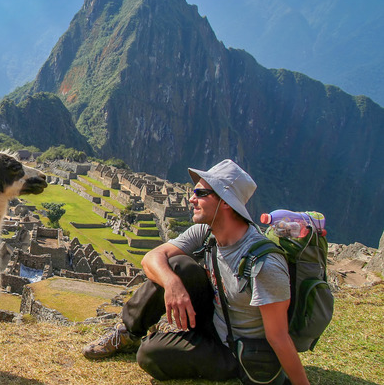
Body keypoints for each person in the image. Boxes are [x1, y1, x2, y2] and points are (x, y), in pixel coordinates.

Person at [81, 159, 309, 385]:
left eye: (201, 193)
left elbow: (278, 337)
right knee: (178, 266)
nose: (191, 198)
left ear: (226, 202)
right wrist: (172, 284)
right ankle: (127, 333)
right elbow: (151, 258)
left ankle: (169, 339)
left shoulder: (264, 263)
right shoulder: (205, 232)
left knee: (149, 354)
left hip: (236, 351)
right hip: (212, 322)